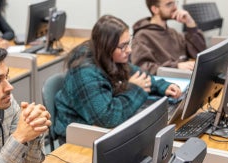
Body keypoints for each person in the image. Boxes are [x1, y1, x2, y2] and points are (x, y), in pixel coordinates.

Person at [53, 15, 182, 143]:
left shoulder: (108, 56)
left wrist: (162, 86)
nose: (129, 50)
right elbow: (108, 118)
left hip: (98, 129)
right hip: (78, 135)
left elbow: (135, 73)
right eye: (123, 46)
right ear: (107, 47)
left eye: (129, 43)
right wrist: (136, 89)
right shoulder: (85, 72)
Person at [131, 0, 207, 75]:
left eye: (175, 3)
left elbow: (200, 53)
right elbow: (141, 68)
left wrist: (190, 23)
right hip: (167, 82)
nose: (175, 8)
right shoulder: (142, 36)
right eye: (169, 4)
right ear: (155, 9)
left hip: (184, 76)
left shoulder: (173, 32)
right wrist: (176, 66)